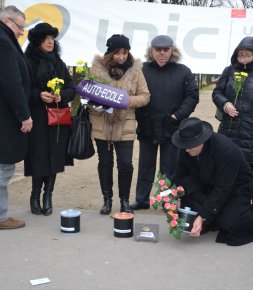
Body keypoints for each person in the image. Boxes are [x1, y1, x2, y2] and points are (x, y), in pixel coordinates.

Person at [131, 35, 199, 210]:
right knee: (145, 166)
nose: (162, 53)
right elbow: (132, 93)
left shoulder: (183, 71)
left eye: (165, 49)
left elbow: (192, 96)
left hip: (172, 127)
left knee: (169, 168)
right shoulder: (141, 70)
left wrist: (178, 116)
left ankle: (165, 201)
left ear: (172, 51)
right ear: (151, 51)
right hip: (147, 126)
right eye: (158, 49)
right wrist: (141, 116)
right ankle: (142, 199)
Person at [88, 34, 150, 215]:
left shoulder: (136, 70)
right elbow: (86, 93)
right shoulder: (96, 68)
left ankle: (124, 201)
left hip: (125, 124)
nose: (121, 57)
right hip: (102, 123)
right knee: (105, 163)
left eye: (124, 52)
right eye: (117, 53)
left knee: (125, 164)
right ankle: (107, 200)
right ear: (110, 53)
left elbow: (145, 96)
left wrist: (124, 100)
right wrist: (95, 101)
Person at [172, 117, 253, 246]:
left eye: (189, 147)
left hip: (235, 186)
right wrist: (175, 197)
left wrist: (202, 216)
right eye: (184, 146)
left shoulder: (225, 150)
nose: (186, 150)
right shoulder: (186, 146)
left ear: (200, 142)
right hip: (207, 181)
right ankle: (209, 217)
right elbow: (179, 174)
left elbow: (223, 189)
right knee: (188, 185)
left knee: (229, 222)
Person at [24, 23, 75, 216]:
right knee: (38, 156)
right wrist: (39, 95)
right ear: (37, 41)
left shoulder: (58, 62)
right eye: (46, 38)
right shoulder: (27, 61)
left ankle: (48, 196)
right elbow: (22, 89)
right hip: (36, 117)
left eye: (52, 38)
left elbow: (71, 88)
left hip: (57, 118)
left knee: (54, 156)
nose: (50, 42)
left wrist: (61, 96)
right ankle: (35, 194)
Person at [0, 6, 33, 229]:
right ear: (7, 21)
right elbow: (11, 83)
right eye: (20, 27)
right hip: (6, 117)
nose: (22, 32)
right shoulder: (3, 42)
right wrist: (24, 115)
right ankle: (1, 217)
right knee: (3, 170)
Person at [212, 36, 253, 171]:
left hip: (249, 130)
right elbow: (217, 92)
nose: (243, 58)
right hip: (228, 127)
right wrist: (225, 104)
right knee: (226, 165)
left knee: (247, 169)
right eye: (240, 55)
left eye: (247, 55)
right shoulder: (229, 71)